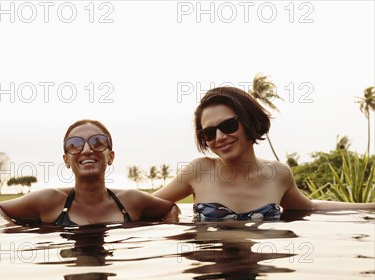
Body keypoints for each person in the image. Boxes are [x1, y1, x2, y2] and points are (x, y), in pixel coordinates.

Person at [154, 87, 374, 221]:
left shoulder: (278, 174)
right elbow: (143, 204)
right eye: (210, 132)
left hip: (257, 278)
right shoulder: (199, 170)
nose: (220, 137)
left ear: (249, 121)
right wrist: (171, 212)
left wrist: (370, 208)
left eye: (229, 125)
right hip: (211, 274)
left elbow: (312, 207)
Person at [0, 119, 179, 226]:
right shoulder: (49, 200)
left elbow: (171, 208)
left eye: (98, 142)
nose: (87, 149)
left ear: (111, 156)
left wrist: (171, 231)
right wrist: (12, 232)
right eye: (75, 145)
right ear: (66, 160)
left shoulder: (132, 200)